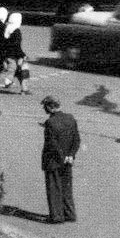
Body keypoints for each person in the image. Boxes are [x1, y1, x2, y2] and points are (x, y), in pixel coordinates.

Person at [40, 95, 81, 225]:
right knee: (66, 188)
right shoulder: (70, 118)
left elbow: (52, 144)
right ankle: (69, 213)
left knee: (54, 188)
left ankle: (57, 216)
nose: (44, 109)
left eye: (45, 107)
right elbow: (76, 139)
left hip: (53, 161)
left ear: (50, 107)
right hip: (68, 159)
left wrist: (61, 157)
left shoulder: (50, 123)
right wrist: (70, 155)